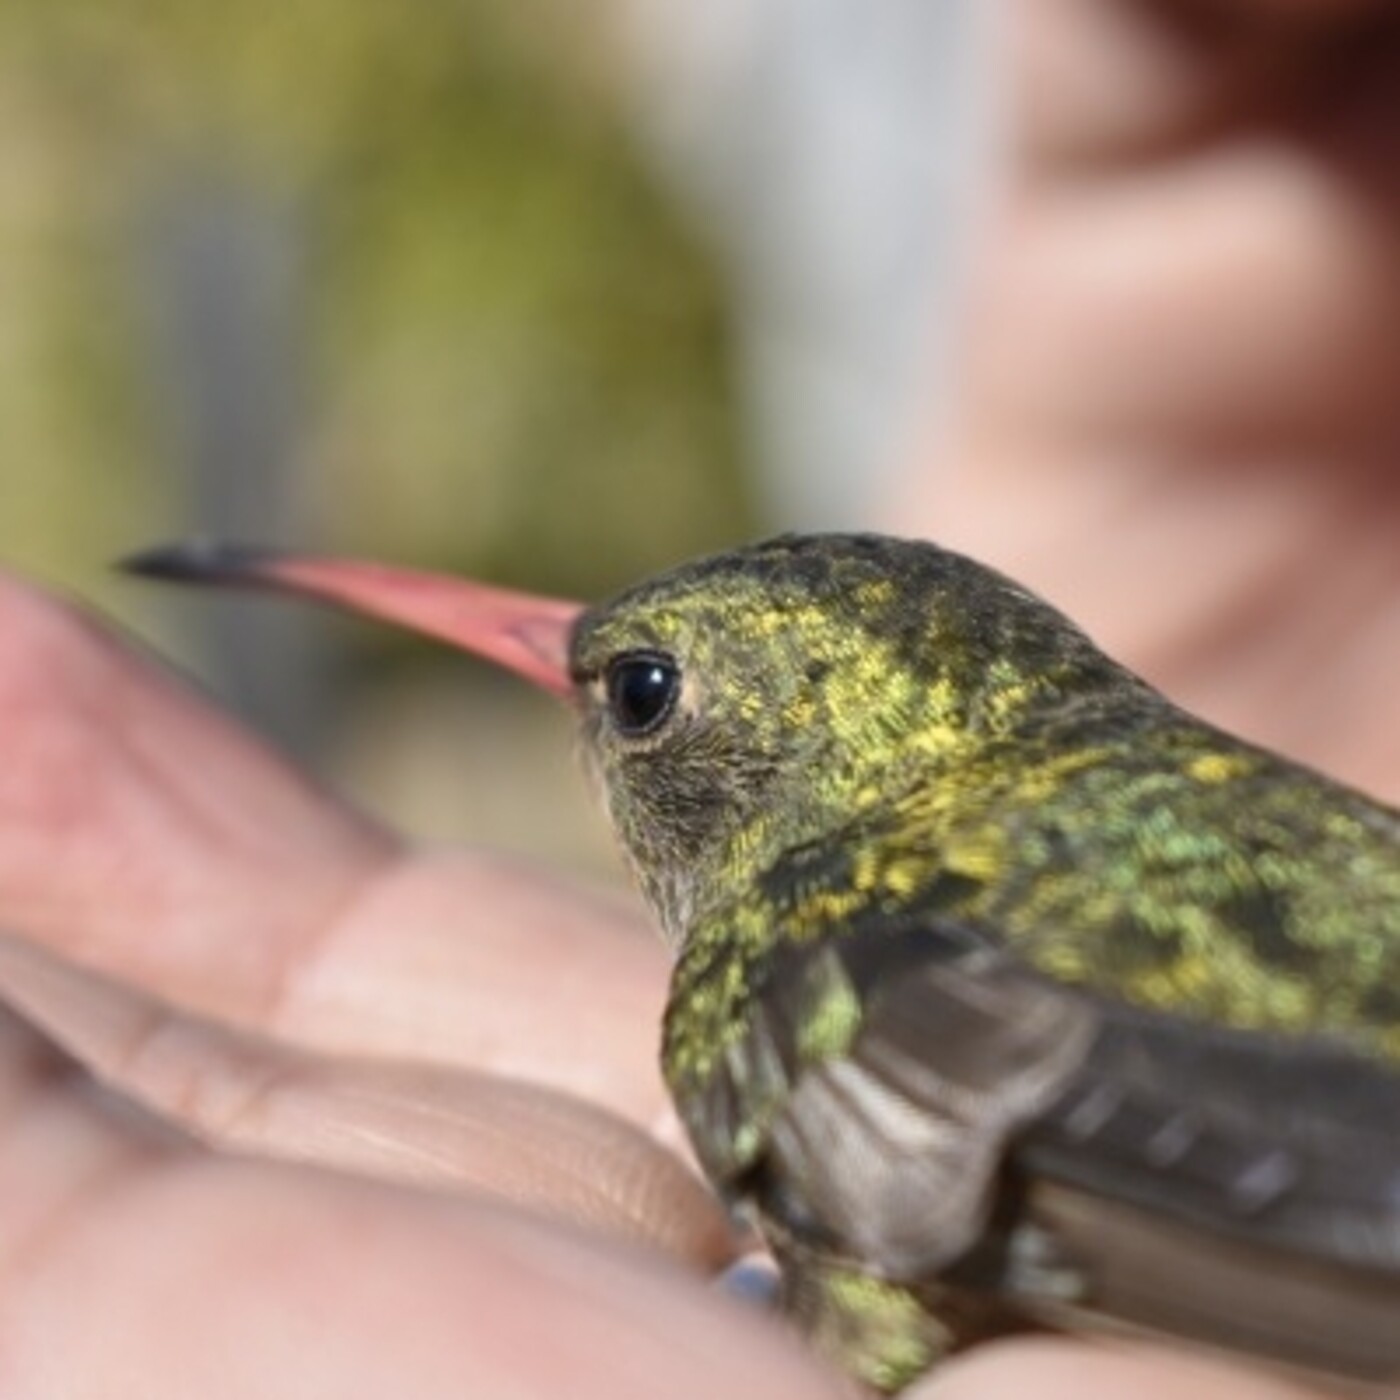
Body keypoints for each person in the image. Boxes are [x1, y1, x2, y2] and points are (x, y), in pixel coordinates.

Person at [1, 1, 1397, 1394]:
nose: (603, 697)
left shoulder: (797, 956)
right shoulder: (1236, 809)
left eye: (648, 694)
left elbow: (945, 1222)